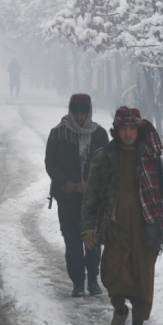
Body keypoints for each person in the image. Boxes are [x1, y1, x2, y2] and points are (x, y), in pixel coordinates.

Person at [81, 106, 163, 325]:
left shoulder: (150, 156)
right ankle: (120, 310)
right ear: (116, 130)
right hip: (115, 229)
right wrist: (88, 227)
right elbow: (91, 197)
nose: (128, 133)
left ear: (138, 131)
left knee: (143, 281)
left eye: (132, 129)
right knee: (112, 275)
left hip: (147, 230)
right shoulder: (104, 157)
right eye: (123, 129)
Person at [45, 94, 109, 297]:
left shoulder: (99, 134)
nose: (80, 117)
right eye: (76, 113)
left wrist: (88, 184)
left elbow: (106, 163)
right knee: (72, 240)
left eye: (83, 113)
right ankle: (78, 282)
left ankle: (93, 279)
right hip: (67, 198)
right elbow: (50, 163)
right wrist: (64, 182)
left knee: (93, 240)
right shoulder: (58, 133)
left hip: (93, 199)